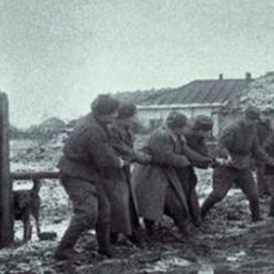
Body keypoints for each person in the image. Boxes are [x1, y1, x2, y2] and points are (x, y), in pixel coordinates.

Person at [54, 95, 123, 260]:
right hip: (76, 175)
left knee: (104, 211)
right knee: (87, 213)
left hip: (88, 174)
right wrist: (119, 162)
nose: (116, 116)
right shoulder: (94, 129)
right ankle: (63, 249)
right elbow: (105, 159)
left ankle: (104, 248)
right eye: (113, 112)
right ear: (103, 113)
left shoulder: (95, 122)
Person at [133, 112, 213, 238]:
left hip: (166, 174)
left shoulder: (179, 137)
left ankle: (181, 228)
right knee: (155, 202)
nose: (188, 129)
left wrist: (206, 160)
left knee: (175, 202)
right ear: (176, 127)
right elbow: (166, 157)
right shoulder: (160, 136)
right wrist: (187, 161)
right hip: (151, 175)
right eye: (184, 127)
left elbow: (187, 152)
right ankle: (150, 229)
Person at [199, 106, 274, 223]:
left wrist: (269, 160)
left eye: (256, 120)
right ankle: (199, 215)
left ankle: (256, 218)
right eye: (253, 120)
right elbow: (221, 147)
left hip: (243, 166)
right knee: (218, 194)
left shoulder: (253, 130)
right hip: (227, 167)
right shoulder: (232, 129)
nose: (255, 122)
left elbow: (256, 149)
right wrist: (227, 156)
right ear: (246, 117)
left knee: (253, 194)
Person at [107, 102, 151, 246]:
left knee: (128, 202)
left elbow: (128, 149)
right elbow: (121, 148)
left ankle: (130, 233)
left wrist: (135, 156)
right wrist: (140, 157)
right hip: (112, 171)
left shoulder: (127, 129)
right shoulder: (112, 130)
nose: (133, 120)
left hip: (124, 169)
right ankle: (112, 236)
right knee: (117, 203)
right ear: (123, 117)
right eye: (131, 117)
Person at [181, 115, 216, 226]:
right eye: (206, 131)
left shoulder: (198, 136)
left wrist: (211, 158)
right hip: (179, 165)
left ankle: (194, 217)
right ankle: (189, 219)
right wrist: (210, 161)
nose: (207, 135)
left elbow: (202, 150)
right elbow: (192, 154)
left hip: (187, 165)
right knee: (185, 190)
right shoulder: (187, 135)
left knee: (190, 187)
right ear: (200, 129)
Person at [255, 118, 273, 196]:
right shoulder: (267, 128)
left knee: (263, 172)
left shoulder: (258, 127)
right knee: (263, 171)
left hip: (263, 152)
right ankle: (264, 190)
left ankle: (263, 190)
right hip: (264, 151)